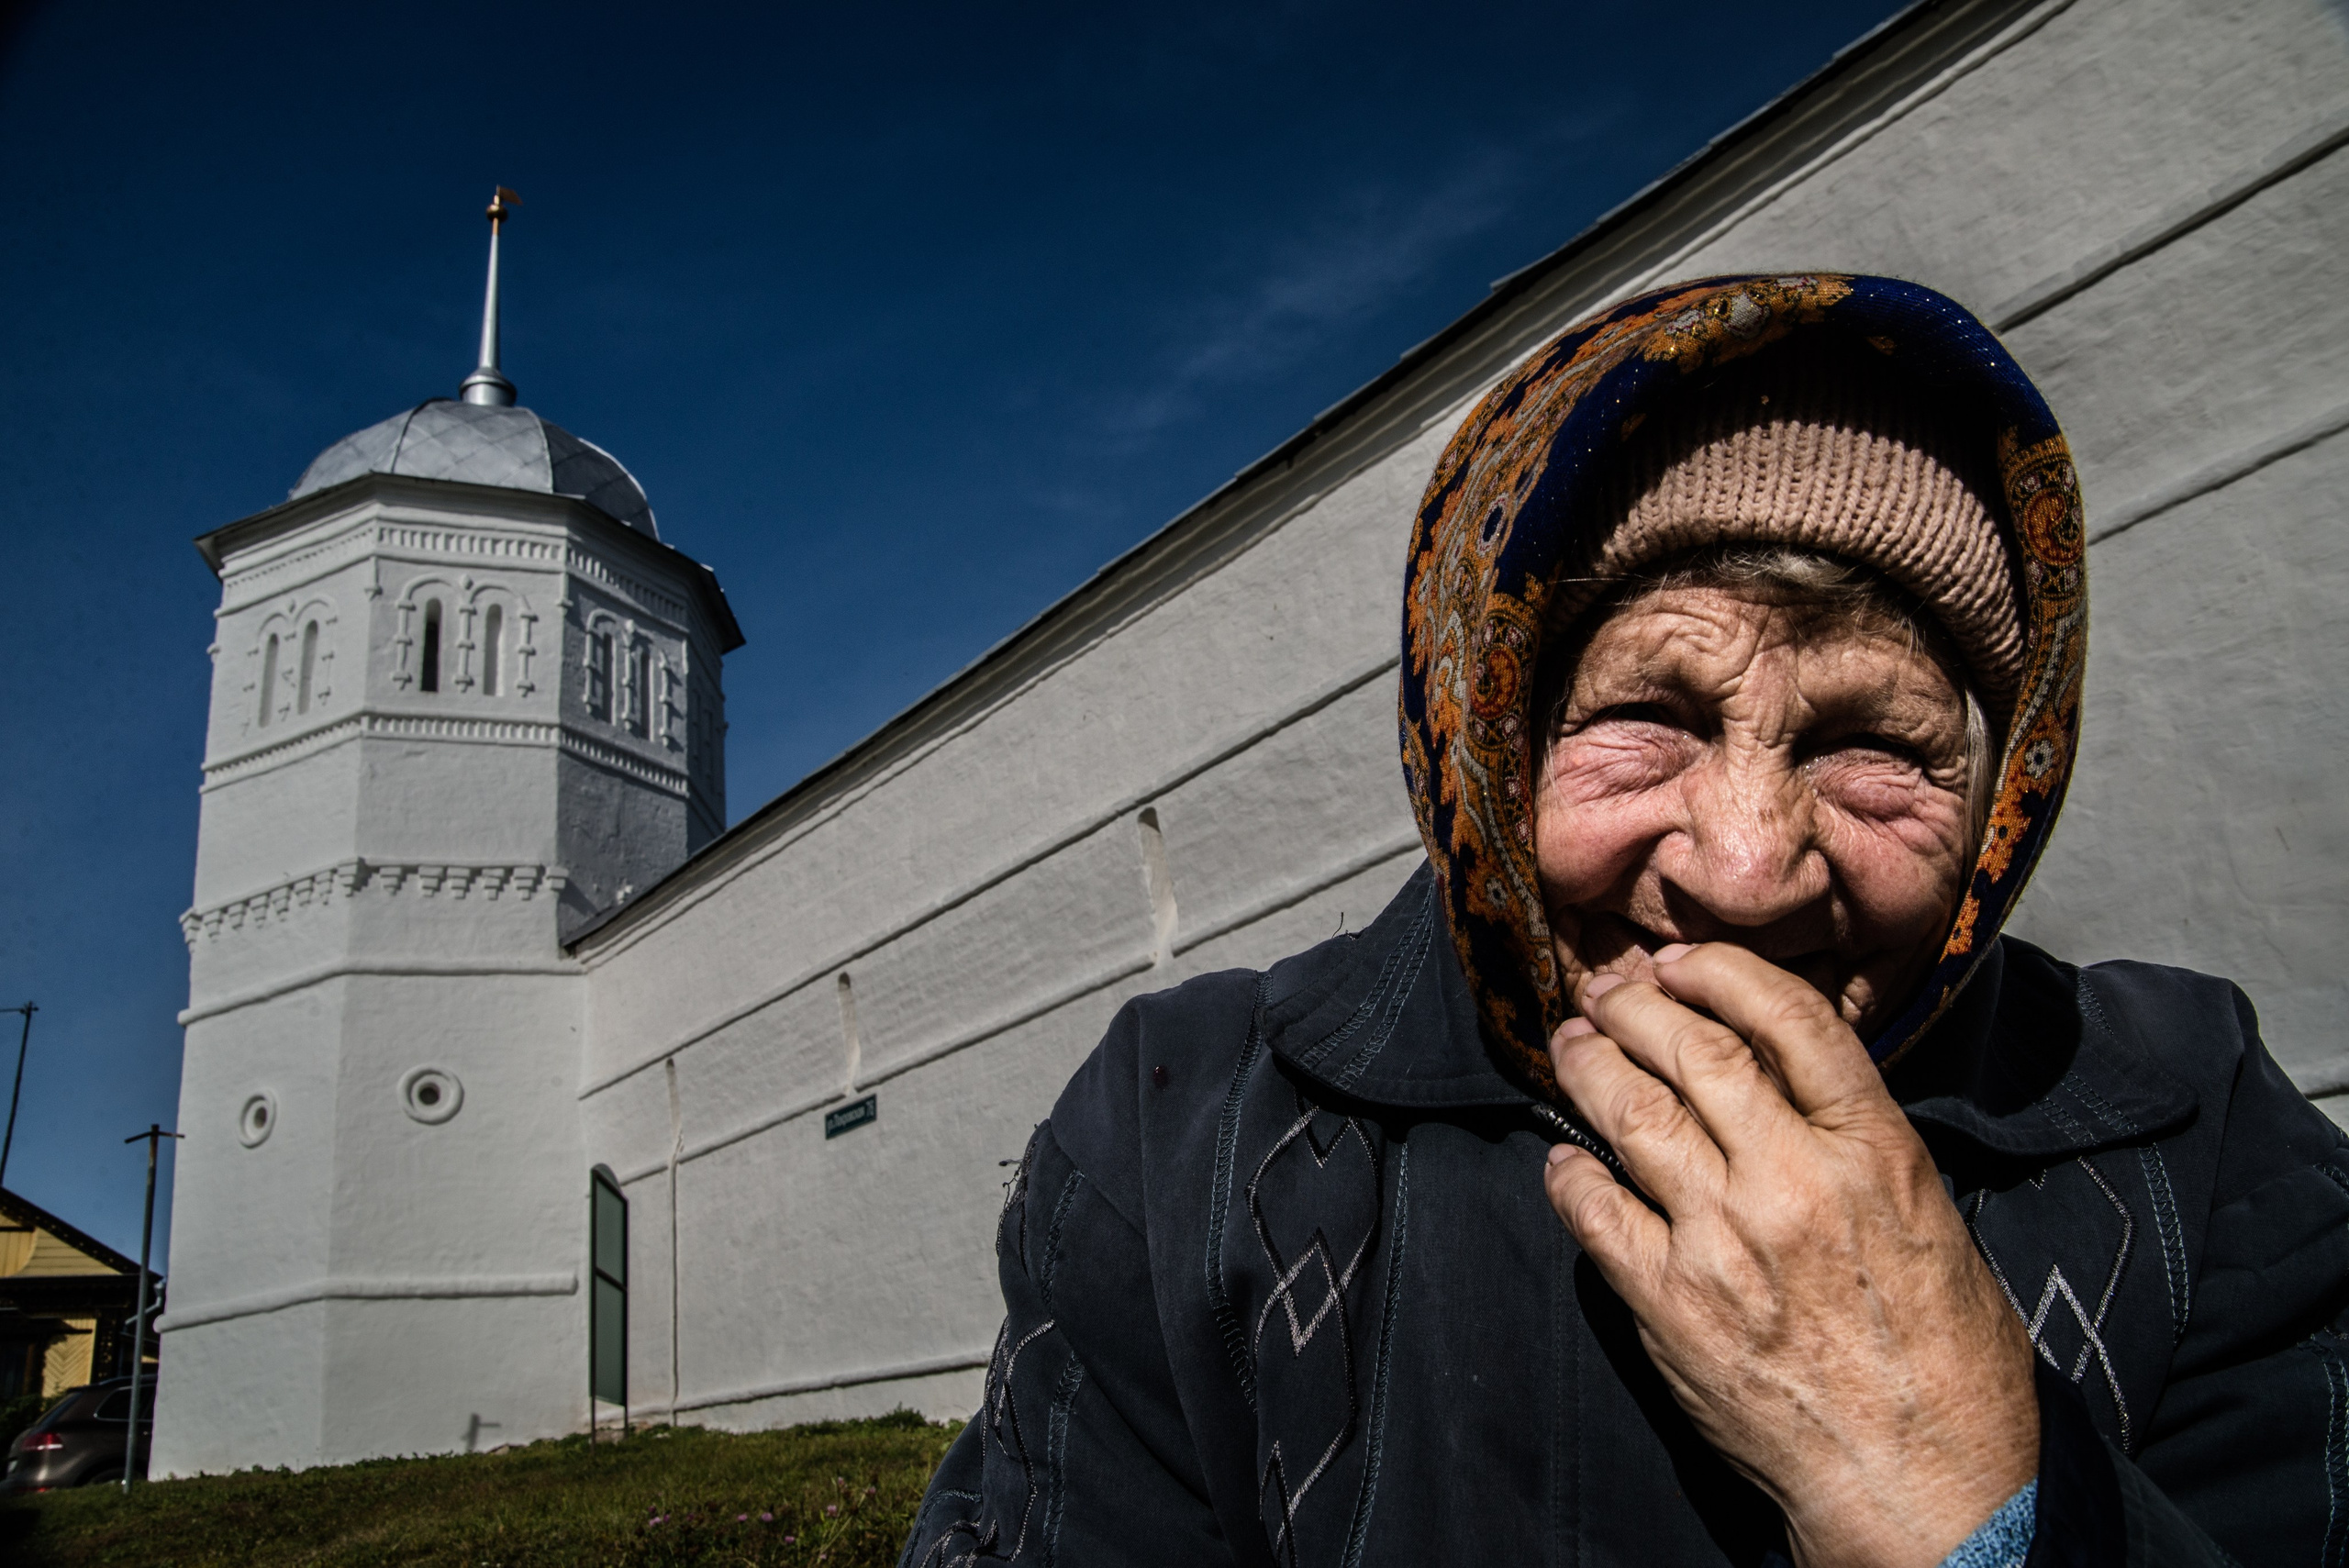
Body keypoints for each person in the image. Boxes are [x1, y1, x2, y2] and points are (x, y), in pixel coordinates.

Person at [900, 275, 2349, 1567]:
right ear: (1486, 746)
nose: (1745, 868)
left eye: (1876, 746)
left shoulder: (2192, 1134)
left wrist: (1968, 1497)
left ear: (2000, 791)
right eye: (1649, 715)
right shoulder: (1184, 1136)